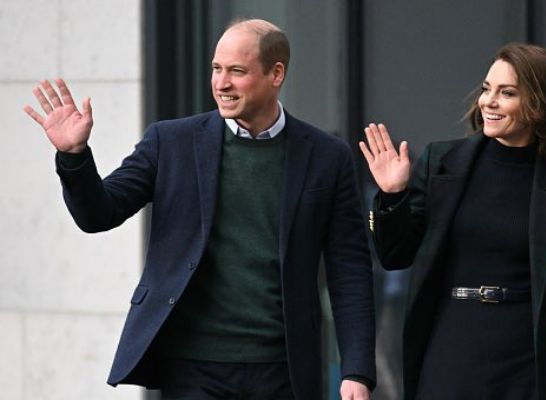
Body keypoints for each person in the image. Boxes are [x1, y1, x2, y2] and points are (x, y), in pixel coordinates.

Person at [24, 18, 375, 400]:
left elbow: (349, 270)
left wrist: (356, 370)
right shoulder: (171, 142)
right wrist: (75, 157)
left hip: (283, 368)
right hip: (192, 369)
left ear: (276, 74)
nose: (221, 83)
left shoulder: (327, 156)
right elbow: (99, 214)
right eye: (216, 68)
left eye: (236, 71)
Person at [359, 43, 546, 400]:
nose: (489, 101)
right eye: (487, 89)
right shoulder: (442, 163)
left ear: (539, 105)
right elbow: (395, 255)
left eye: (507, 93)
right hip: (452, 349)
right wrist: (393, 195)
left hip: (528, 359)